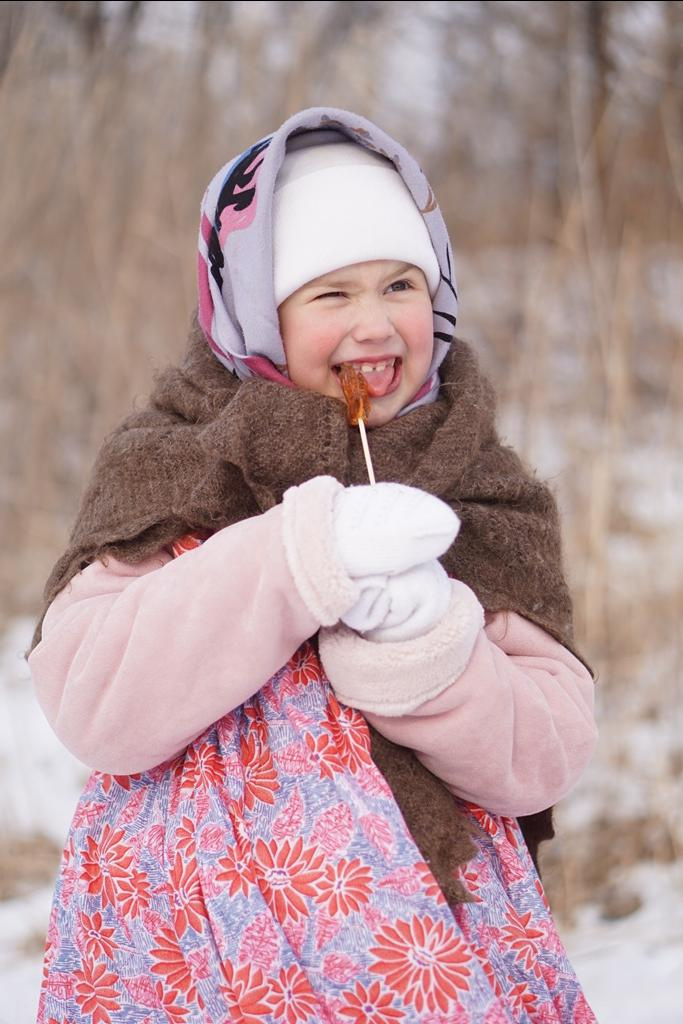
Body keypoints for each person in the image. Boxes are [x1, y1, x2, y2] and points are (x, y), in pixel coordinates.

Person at [29, 107, 598, 1023]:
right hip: (191, 960)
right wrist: (300, 557)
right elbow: (96, 703)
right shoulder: (173, 458)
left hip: (427, 955)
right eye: (330, 295)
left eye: (400, 284)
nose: (373, 324)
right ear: (257, 308)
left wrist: (430, 645)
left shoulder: (479, 484)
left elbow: (546, 757)